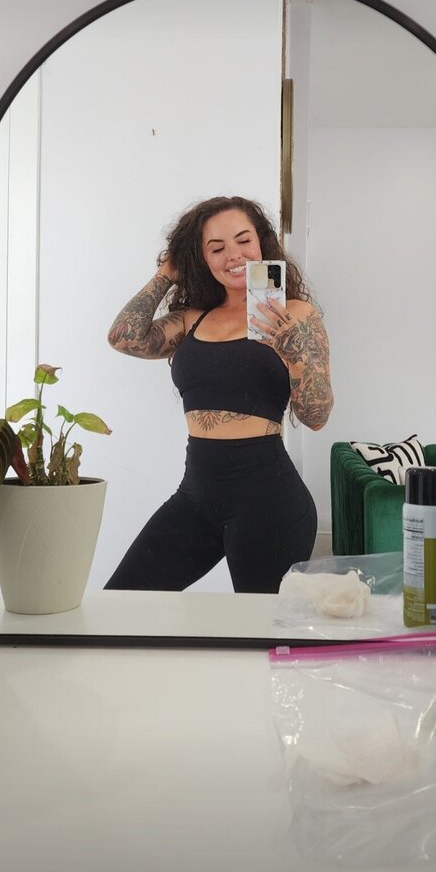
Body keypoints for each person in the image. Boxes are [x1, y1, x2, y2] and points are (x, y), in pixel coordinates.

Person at [104, 194, 333, 593]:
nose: (234, 255)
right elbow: (124, 337)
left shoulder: (296, 315)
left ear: (262, 243)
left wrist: (293, 350)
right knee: (124, 599)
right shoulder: (192, 319)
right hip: (196, 497)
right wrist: (167, 271)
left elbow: (316, 417)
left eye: (244, 240)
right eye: (216, 247)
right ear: (201, 258)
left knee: (257, 624)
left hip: (269, 500)